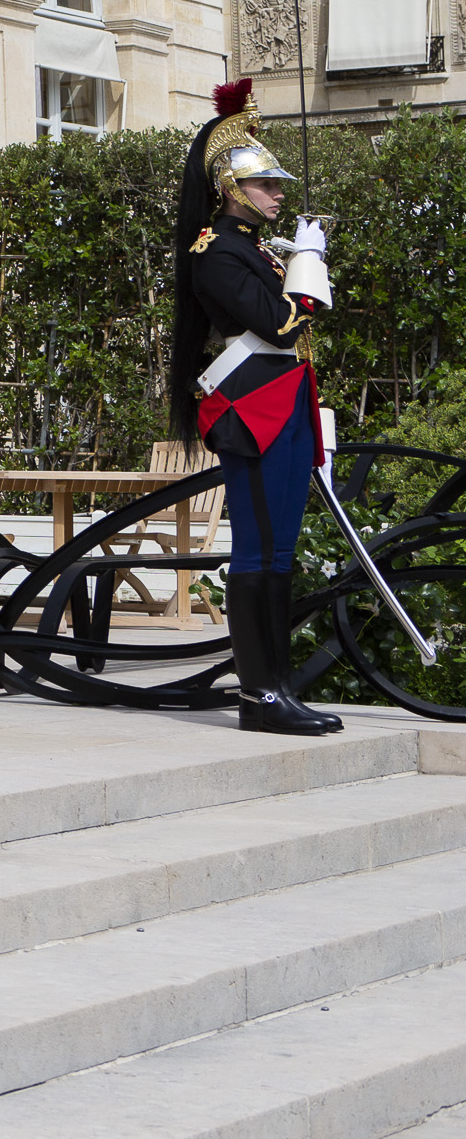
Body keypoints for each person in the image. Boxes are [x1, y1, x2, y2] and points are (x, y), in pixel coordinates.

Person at [173, 80, 342, 738]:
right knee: (260, 549)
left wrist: (299, 261)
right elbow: (277, 326)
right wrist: (306, 264)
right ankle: (260, 696)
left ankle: (280, 685)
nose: (277, 194)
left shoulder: (253, 250)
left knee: (282, 550)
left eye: (276, 185)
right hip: (251, 410)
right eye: (266, 185)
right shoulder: (216, 252)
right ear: (230, 189)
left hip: (286, 404)